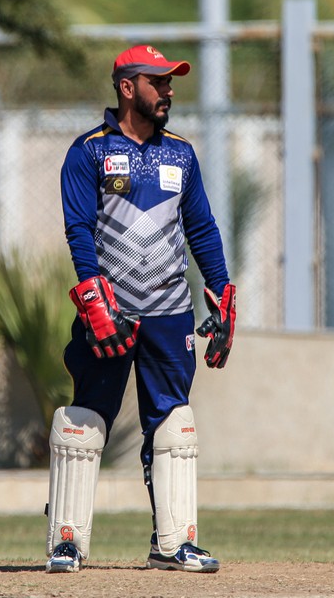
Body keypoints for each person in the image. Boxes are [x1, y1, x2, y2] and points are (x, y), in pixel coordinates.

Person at [45, 44, 237, 574]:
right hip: (110, 311)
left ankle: (173, 544)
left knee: (174, 423)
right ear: (128, 88)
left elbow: (202, 228)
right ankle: (67, 541)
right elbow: (79, 229)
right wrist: (92, 296)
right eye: (159, 82)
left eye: (171, 82)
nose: (169, 91)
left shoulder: (182, 154)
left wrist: (221, 293)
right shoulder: (89, 151)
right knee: (85, 421)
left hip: (170, 312)